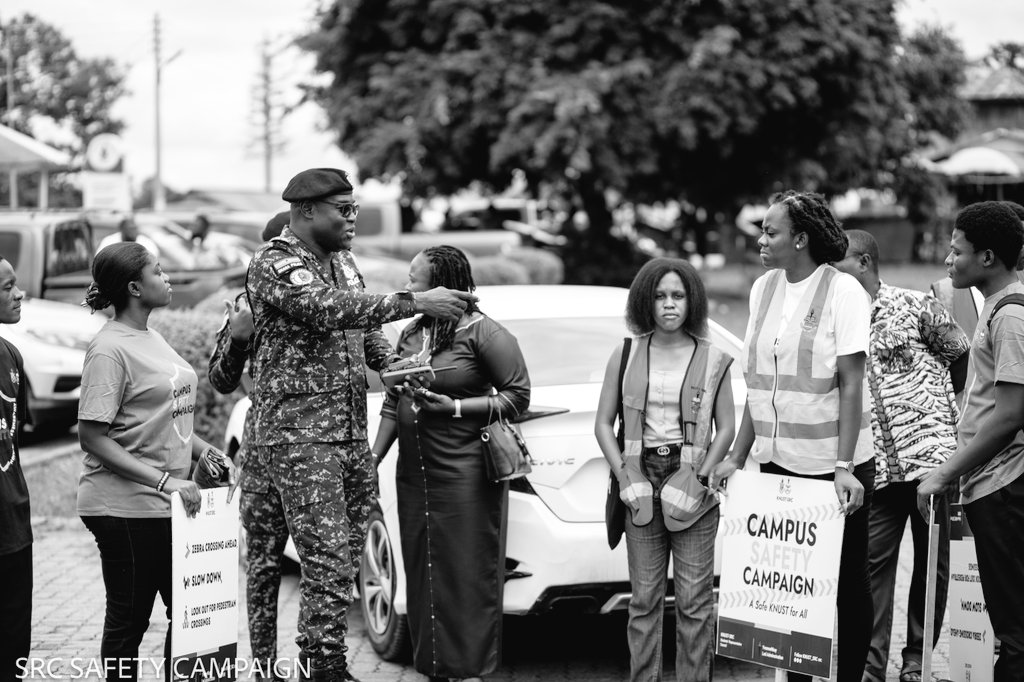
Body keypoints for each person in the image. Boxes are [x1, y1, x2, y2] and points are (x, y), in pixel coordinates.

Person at [245, 168, 476, 682]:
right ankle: (323, 666)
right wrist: (417, 302)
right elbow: (327, 311)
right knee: (325, 559)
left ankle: (318, 661)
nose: (354, 219)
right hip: (301, 438)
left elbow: (362, 327)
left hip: (349, 431)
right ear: (305, 212)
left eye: (355, 208)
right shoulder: (274, 263)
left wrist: (392, 364)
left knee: (350, 554)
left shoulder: (344, 262)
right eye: (343, 209)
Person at [710, 190, 874, 682]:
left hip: (833, 468)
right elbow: (759, 387)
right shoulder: (764, 289)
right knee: (792, 589)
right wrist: (737, 458)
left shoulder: (844, 292)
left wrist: (844, 468)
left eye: (770, 231)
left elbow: (851, 384)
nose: (760, 239)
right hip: (779, 463)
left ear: (800, 239)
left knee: (845, 584)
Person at [370, 245, 530, 682]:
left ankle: (471, 670)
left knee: (465, 572)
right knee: (422, 570)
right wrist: (374, 458)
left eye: (416, 280)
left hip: (464, 474)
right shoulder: (412, 333)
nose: (409, 287)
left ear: (444, 285)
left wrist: (456, 409)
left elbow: (518, 397)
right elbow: (391, 401)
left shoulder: (486, 335)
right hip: (414, 474)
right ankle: (434, 667)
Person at [77, 242, 234, 681]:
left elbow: (168, 420)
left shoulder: (152, 336)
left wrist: (208, 452)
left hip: (165, 505)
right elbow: (91, 436)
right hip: (123, 507)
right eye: (159, 272)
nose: (167, 279)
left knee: (189, 617)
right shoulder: (109, 349)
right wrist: (167, 482)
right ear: (134, 287)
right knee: (130, 622)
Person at [833, 229, 970, 682]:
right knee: (871, 567)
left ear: (865, 263)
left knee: (932, 566)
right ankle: (872, 666)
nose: (832, 273)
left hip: (931, 460)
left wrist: (937, 414)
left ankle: (915, 659)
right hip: (878, 468)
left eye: (840, 264)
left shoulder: (916, 306)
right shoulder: (838, 321)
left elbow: (960, 354)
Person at [594, 257, 735, 682]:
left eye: (678, 295)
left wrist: (704, 472)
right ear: (645, 302)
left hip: (694, 484)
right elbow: (603, 423)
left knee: (694, 601)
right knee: (643, 602)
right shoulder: (625, 353)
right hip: (639, 483)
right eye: (659, 296)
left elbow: (726, 427)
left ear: (692, 301)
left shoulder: (714, 358)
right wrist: (623, 473)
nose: (669, 304)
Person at [918, 201, 1024, 681]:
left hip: (1005, 486)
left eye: (956, 250)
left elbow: (1009, 416)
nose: (947, 259)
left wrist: (944, 472)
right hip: (990, 485)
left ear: (987, 258)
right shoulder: (998, 308)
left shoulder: (1011, 316)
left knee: (1015, 634)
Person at [207, 210, 293, 681]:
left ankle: (321, 665)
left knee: (327, 570)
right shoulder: (246, 307)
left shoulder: (330, 298)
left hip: (320, 458)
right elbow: (220, 379)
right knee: (262, 569)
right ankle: (265, 670)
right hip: (263, 460)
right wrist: (240, 340)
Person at [0, 257, 31, 682]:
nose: (18, 293)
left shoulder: (11, 356)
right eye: (7, 288)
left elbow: (14, 442)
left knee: (13, 651)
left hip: (14, 526)